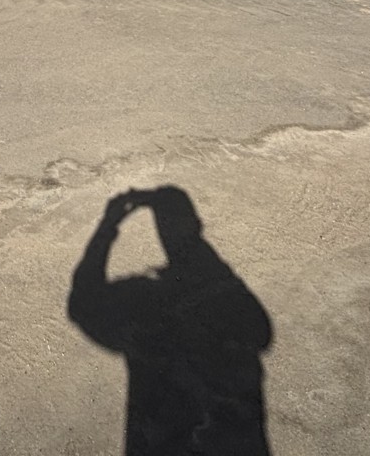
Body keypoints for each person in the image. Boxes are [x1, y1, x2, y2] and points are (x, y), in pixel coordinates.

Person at [68, 186, 274, 455]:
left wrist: (109, 224)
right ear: (198, 226)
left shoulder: (148, 303)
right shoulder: (230, 295)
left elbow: (83, 304)